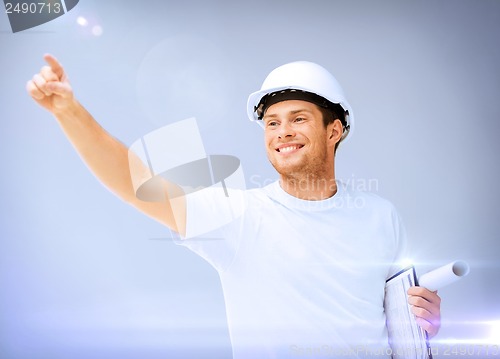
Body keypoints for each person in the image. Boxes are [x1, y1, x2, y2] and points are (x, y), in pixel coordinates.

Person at [27, 55, 441, 358]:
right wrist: (69, 111)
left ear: (334, 130)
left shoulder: (380, 216)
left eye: (298, 119)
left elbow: (403, 329)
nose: (282, 133)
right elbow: (136, 182)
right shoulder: (239, 217)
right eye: (272, 122)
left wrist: (428, 323)